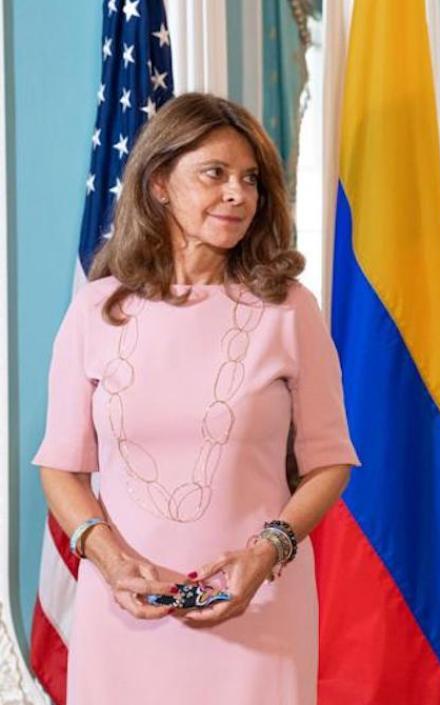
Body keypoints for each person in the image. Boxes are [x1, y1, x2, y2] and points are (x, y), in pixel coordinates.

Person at [36, 93, 359, 705]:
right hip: (125, 610)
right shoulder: (95, 309)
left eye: (250, 179)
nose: (237, 194)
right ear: (160, 183)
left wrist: (268, 553)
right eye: (215, 174)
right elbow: (60, 466)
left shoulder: (290, 310)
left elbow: (330, 460)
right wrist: (108, 560)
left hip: (258, 605)